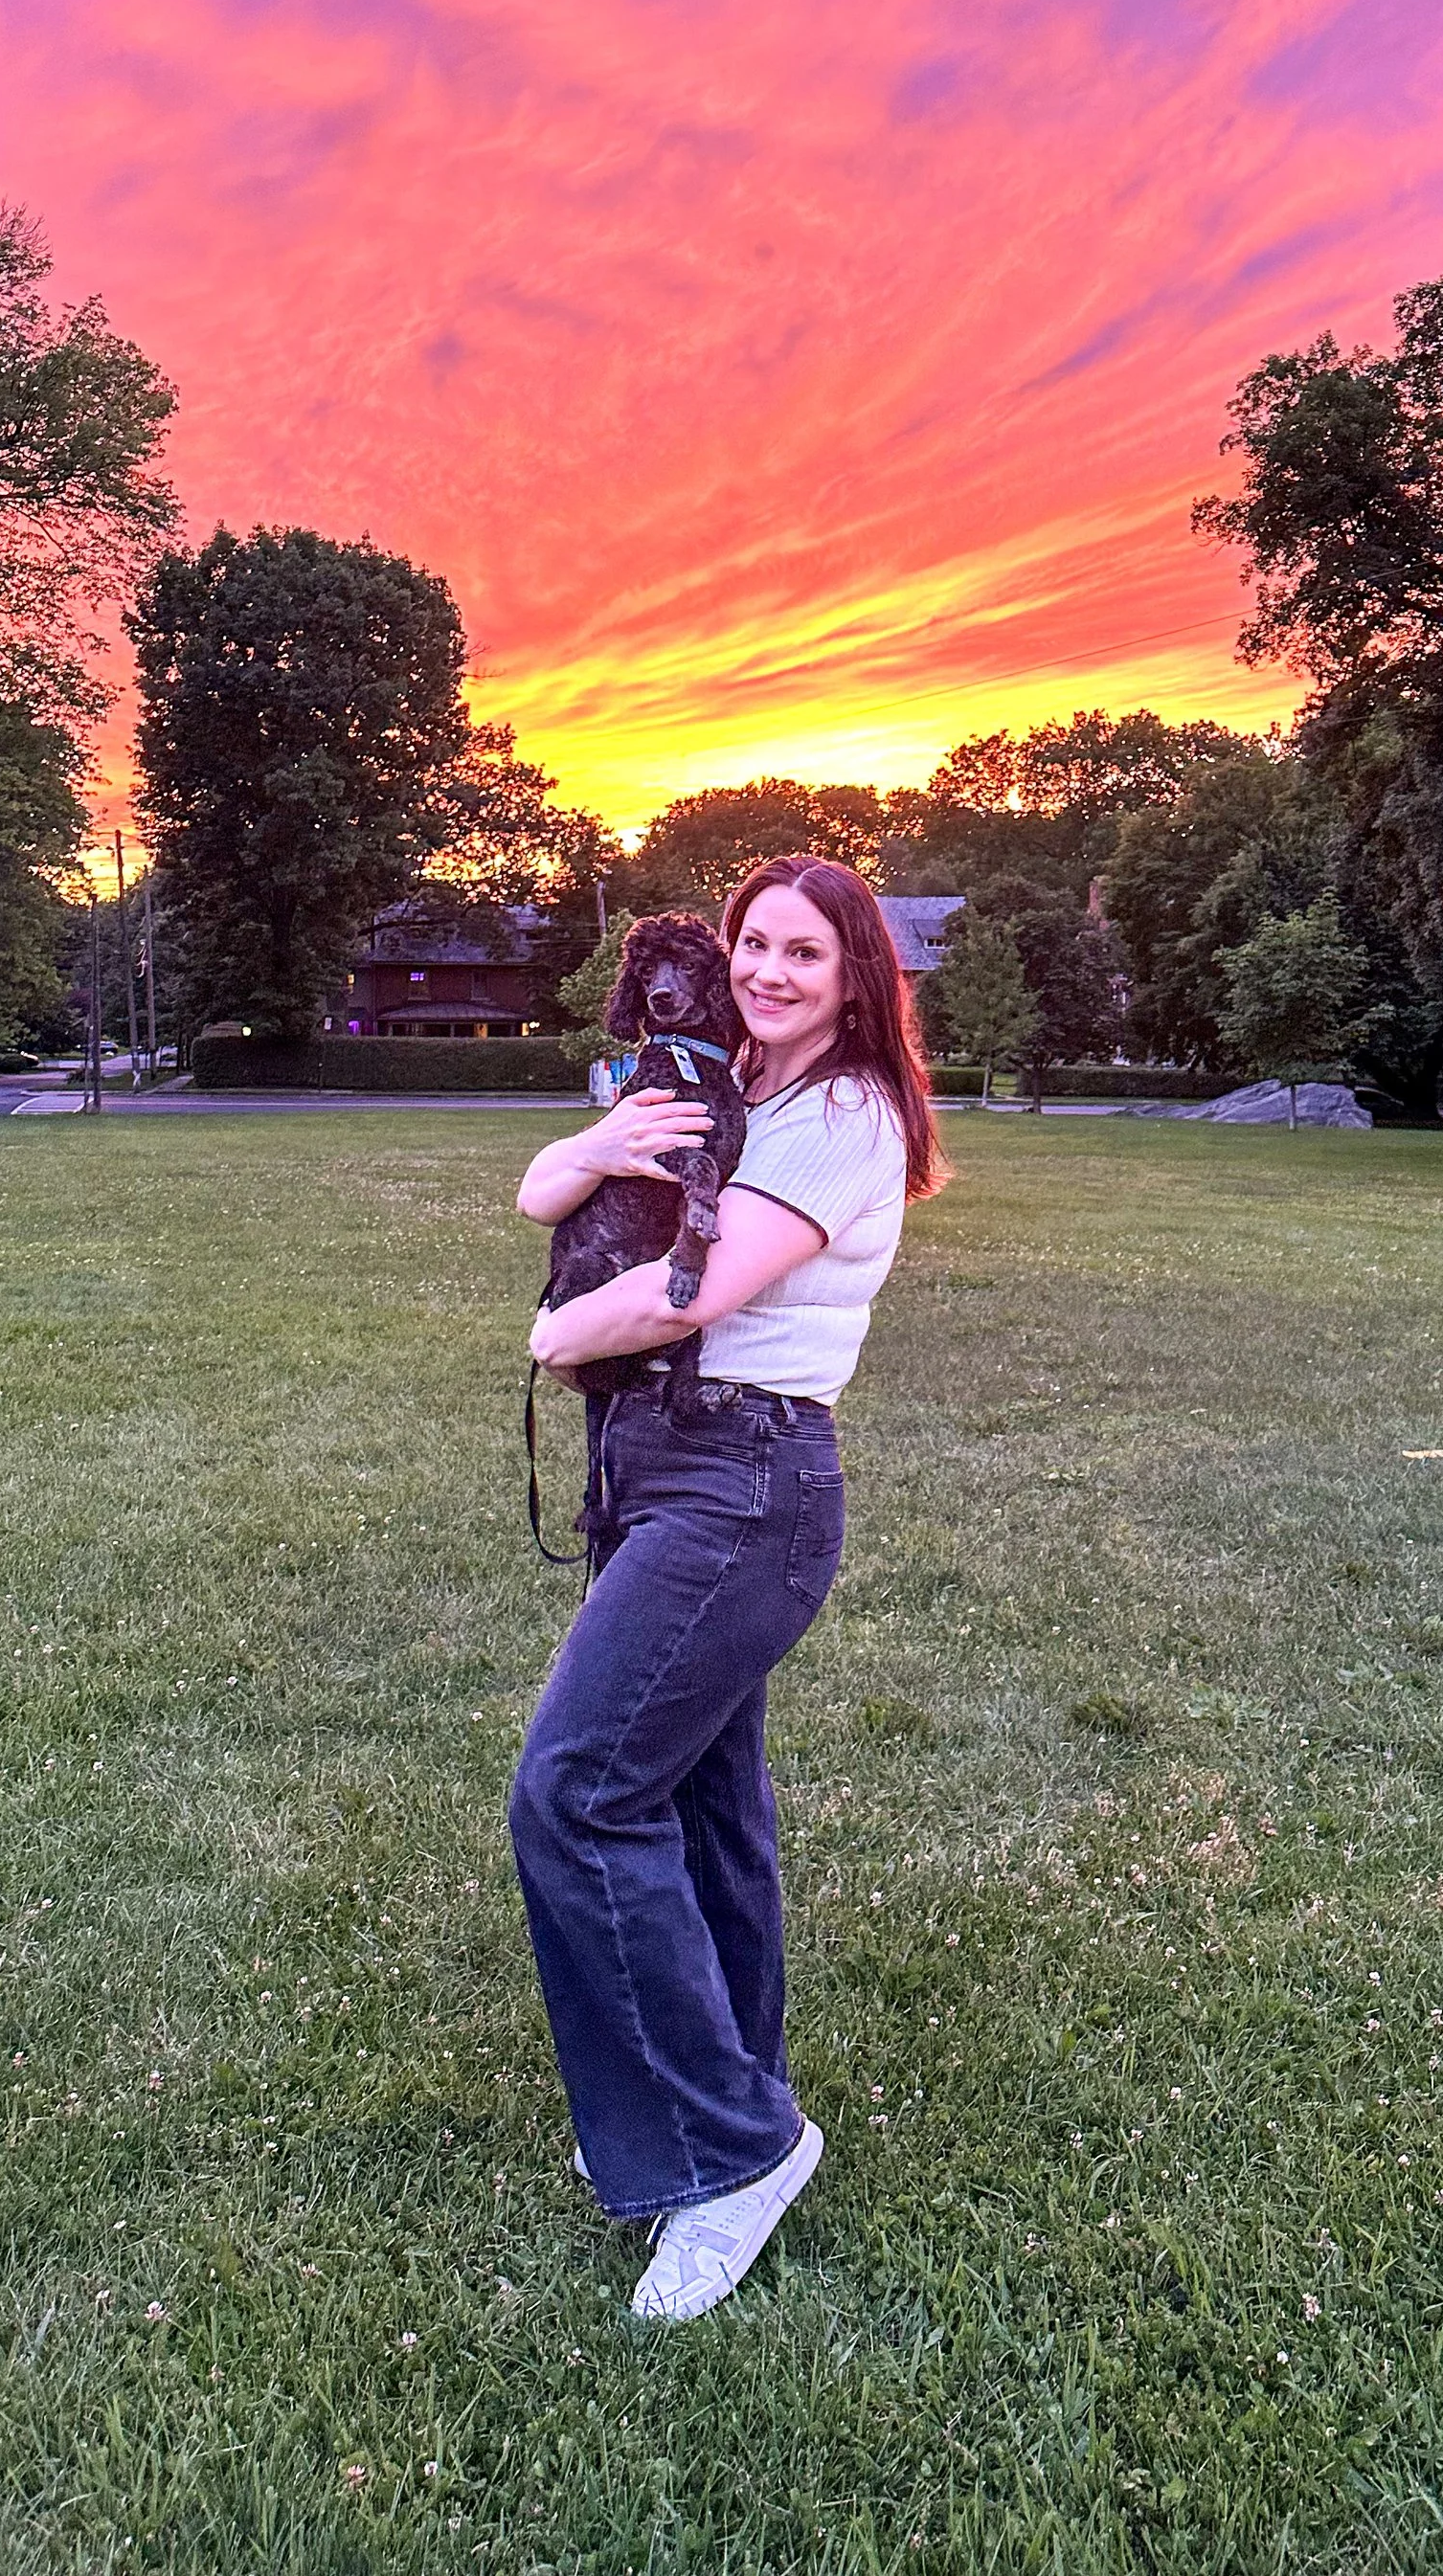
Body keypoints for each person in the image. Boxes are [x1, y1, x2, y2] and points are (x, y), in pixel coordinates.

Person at [508, 856, 944, 2321]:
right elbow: (556, 1189)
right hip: (669, 1467)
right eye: (753, 942)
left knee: (576, 1792)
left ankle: (734, 2148)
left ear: (856, 979)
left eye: (802, 956)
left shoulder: (846, 1116)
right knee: (701, 1810)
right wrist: (595, 1150)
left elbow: (697, 1288)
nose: (766, 971)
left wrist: (558, 1337)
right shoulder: (721, 1092)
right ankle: (716, 2102)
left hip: (744, 1486)